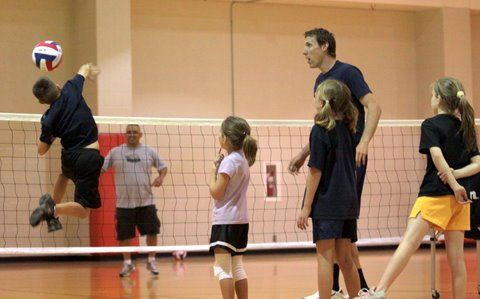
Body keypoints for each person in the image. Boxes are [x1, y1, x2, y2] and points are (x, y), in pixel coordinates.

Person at [355, 77, 480, 299]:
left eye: (433, 95)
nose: (431, 99)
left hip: (435, 195)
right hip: (460, 201)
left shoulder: (430, 124)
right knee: (457, 259)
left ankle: (379, 291)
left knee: (409, 243)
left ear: (439, 98)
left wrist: (451, 181)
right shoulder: (466, 126)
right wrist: (457, 178)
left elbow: (437, 155)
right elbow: (477, 164)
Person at [292, 28, 381, 299]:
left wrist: (364, 142)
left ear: (325, 45)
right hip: (336, 164)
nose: (304, 51)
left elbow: (374, 106)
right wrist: (304, 152)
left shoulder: (348, 72)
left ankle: (338, 289)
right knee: (343, 239)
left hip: (348, 163)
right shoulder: (321, 80)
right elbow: (323, 125)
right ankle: (348, 289)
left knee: (332, 238)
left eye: (308, 45)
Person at [297, 79, 361, 299]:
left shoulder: (319, 131)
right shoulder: (348, 129)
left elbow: (315, 172)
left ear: (323, 101)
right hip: (348, 202)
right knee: (345, 259)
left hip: (327, 203)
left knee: (325, 258)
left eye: (316, 95)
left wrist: (305, 208)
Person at [29, 63, 103, 232]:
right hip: (88, 156)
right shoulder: (72, 88)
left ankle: (51, 213)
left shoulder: (48, 119)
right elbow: (84, 68)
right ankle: (53, 209)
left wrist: (53, 133)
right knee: (84, 211)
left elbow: (41, 150)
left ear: (41, 101)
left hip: (69, 156)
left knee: (64, 175)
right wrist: (92, 70)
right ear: (57, 86)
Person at [102, 124, 168, 277]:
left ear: (140, 134)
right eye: (129, 132)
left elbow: (163, 167)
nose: (132, 135)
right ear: (125, 134)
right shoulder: (116, 152)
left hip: (146, 201)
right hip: (124, 203)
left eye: (135, 132)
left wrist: (160, 177)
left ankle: (151, 260)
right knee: (124, 235)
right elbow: (102, 168)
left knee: (152, 232)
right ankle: (127, 264)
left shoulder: (149, 151)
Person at [209, 116, 258, 299]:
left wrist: (213, 171)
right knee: (237, 267)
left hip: (225, 221)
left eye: (220, 133)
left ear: (226, 139)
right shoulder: (244, 160)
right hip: (241, 221)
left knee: (222, 268)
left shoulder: (229, 162)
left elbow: (216, 192)